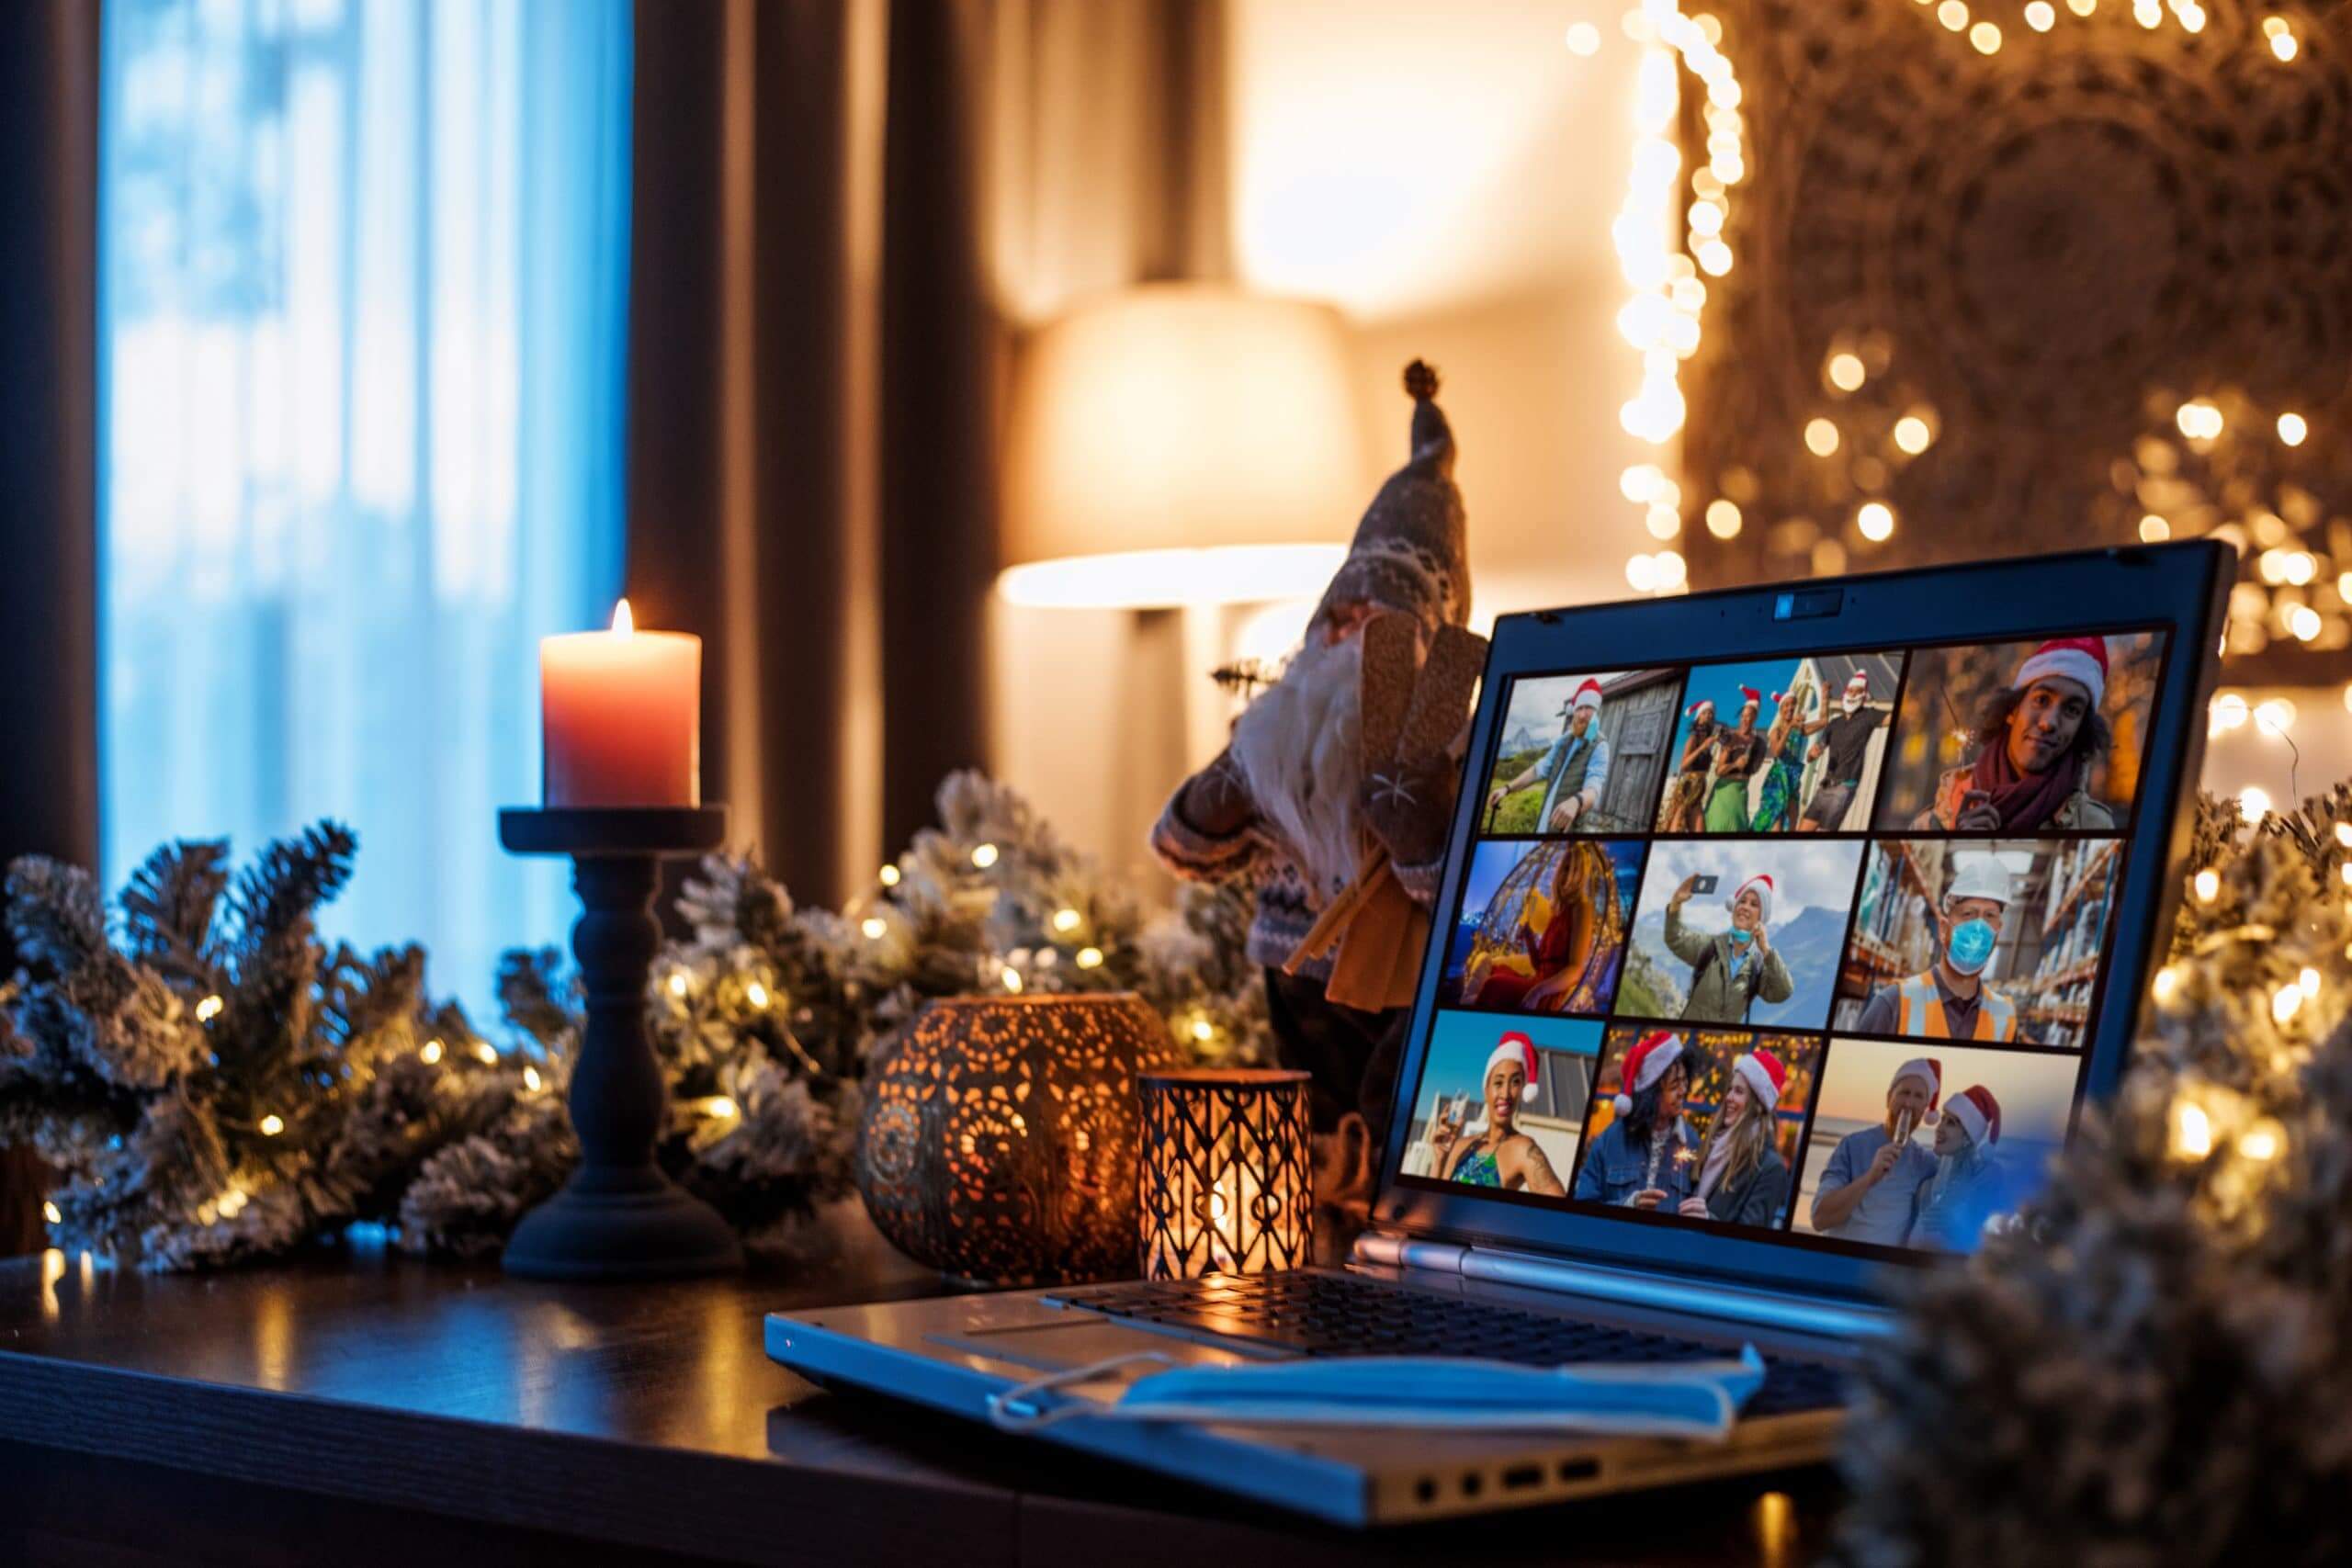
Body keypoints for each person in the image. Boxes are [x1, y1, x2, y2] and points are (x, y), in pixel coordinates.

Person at [1150, 361, 1471, 1153]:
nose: (1347, 632)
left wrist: (1420, 840)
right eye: (1338, 614)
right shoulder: (1271, 739)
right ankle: (1325, 1176)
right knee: (1316, 1113)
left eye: (1376, 618)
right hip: (1296, 977)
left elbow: (1463, 895)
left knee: (1394, 1099)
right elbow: (1180, 848)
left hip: (1396, 979)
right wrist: (1221, 790)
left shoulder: (1448, 743)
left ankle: (1386, 1183)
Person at [1915, 637, 2120, 831]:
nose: (2048, 723)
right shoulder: (1940, 814)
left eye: (2072, 710)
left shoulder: (2093, 824)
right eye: (2041, 700)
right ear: (2013, 710)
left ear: (2081, 729)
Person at [1855, 854, 2030, 1043]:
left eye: (1989, 916)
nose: (1978, 929)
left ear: (1998, 932)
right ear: (1944, 929)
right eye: (1968, 914)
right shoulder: (1894, 1003)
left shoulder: (2004, 1017)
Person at [1809, 1058, 1940, 1244]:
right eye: (1904, 1093)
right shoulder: (1851, 1146)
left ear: (1925, 1108)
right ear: (1889, 1098)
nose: (1909, 1103)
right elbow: (1819, 1219)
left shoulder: (1925, 1163)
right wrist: (1870, 1177)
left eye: (1919, 1096)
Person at [1427, 1032, 1567, 1195]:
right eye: (1498, 1083)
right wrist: (1439, 1159)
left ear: (1522, 1089)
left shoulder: (1523, 1149)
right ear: (1486, 1090)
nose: (1506, 1094)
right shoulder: (1460, 1145)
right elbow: (1433, 1201)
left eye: (1515, 1082)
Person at [1574, 1031, 1701, 1210]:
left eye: (1684, 1082)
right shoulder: (1609, 1141)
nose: (1682, 1092)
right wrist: (1628, 1205)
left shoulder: (1693, 1143)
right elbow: (1582, 1206)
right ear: (1652, 1093)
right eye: (1674, 1085)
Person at [1678, 1046, 1792, 1228]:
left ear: (1758, 1105)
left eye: (1739, 1091)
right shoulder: (1712, 1145)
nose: (1729, 1097)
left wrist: (1708, 1221)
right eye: (1730, 1089)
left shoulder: (1771, 1168)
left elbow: (1749, 1240)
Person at [1662, 871, 1792, 1025]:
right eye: (1742, 901)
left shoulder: (1758, 967)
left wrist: (1766, 950)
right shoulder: (1709, 946)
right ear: (1733, 908)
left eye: (1754, 904)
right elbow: (1675, 938)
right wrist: (1676, 903)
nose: (1745, 907)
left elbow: (1783, 992)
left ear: (1761, 918)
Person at [1487, 677, 1611, 832]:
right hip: (1543, 825)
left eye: (1588, 708)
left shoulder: (1600, 746)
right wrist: (1506, 788)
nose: (1582, 715)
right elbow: (1538, 770)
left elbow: (1594, 787)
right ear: (1573, 711)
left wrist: (1577, 801)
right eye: (1579, 708)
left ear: (1596, 712)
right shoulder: (1564, 741)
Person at [1907, 1084, 2004, 1250]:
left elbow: (1989, 1247)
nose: (1940, 1128)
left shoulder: (1986, 1177)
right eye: (1942, 1119)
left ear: (1968, 1137)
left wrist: (1953, 1227)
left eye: (1951, 1123)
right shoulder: (1926, 1189)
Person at [1797, 670, 1887, 830]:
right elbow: (1814, 753)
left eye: (1858, 691)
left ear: (1864, 695)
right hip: (1824, 787)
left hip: (1844, 788)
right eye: (1851, 690)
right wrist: (1812, 754)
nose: (1853, 695)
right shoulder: (1834, 723)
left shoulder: (1869, 716)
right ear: (1846, 692)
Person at [1701, 688, 1770, 832]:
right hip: (1723, 791)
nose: (1745, 720)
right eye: (1743, 716)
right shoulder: (1730, 738)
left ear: (1755, 718)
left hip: (1741, 792)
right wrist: (1735, 764)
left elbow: (1754, 770)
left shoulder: (1759, 743)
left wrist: (1747, 763)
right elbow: (1719, 770)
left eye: (1749, 716)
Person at [1750, 683, 1810, 832]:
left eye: (1793, 705)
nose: (1790, 708)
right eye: (1786, 705)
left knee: (1792, 825)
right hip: (1777, 781)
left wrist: (1824, 696)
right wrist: (1789, 727)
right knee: (1774, 825)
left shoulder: (1800, 729)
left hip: (1793, 780)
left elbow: (1823, 721)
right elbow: (1777, 751)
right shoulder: (1775, 731)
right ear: (1781, 710)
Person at [1659, 699, 1717, 832]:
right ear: (1698, 717)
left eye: (1711, 714)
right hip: (1689, 786)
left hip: (1699, 789)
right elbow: (1684, 765)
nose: (1708, 716)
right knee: (1677, 824)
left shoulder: (1709, 741)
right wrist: (1702, 747)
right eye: (1705, 713)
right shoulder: (1693, 738)